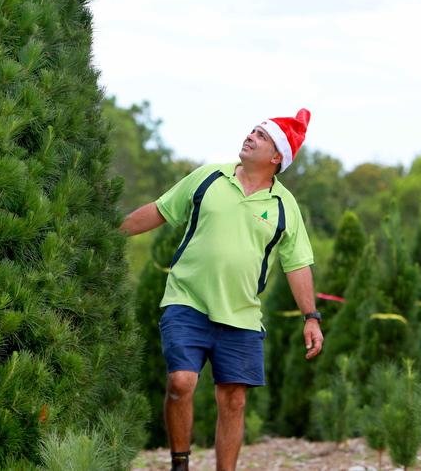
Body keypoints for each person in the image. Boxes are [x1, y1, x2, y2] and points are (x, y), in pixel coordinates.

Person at [120, 108, 323, 471]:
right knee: (181, 381)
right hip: (187, 299)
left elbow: (297, 264)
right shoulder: (208, 177)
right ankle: (180, 463)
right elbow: (160, 210)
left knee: (233, 400)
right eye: (252, 131)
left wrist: (311, 317)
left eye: (262, 136)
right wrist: (109, 232)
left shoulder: (284, 206)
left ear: (277, 157)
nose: (251, 136)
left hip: (242, 314)